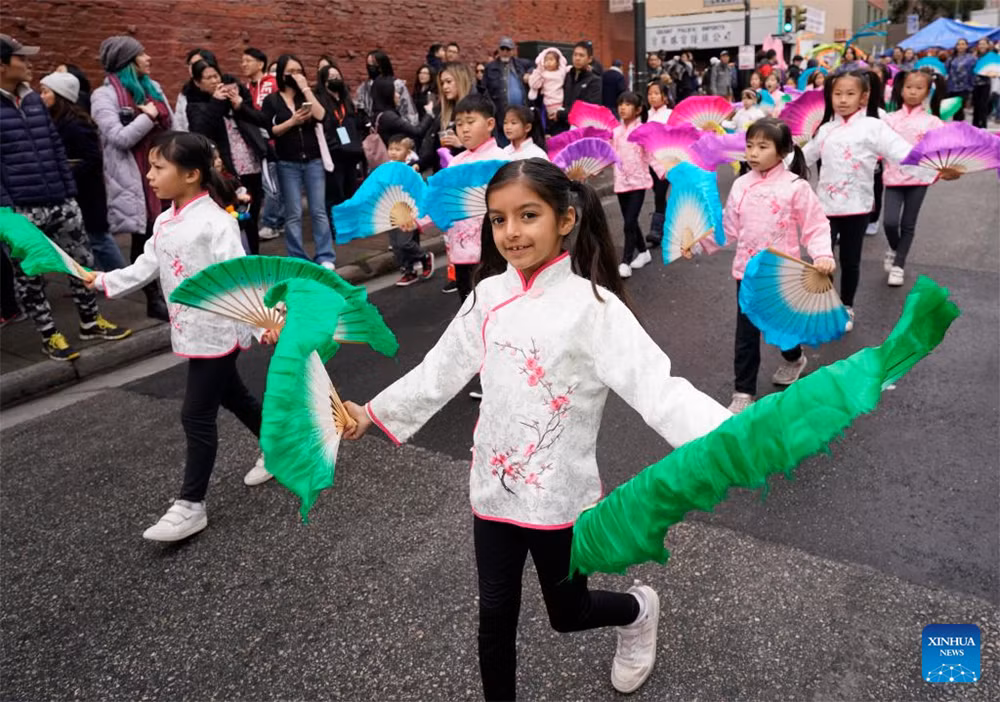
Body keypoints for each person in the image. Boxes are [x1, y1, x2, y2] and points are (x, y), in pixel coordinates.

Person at [342, 157, 732, 700]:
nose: (512, 233)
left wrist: (732, 437)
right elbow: (439, 370)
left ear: (565, 218)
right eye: (499, 220)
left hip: (557, 497)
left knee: (567, 614)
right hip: (493, 490)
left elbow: (658, 388)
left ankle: (638, 610)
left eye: (528, 215)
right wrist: (369, 412)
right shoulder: (486, 296)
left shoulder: (595, 308)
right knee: (494, 615)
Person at [85, 132, 267, 540]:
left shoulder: (216, 223)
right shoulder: (165, 220)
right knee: (233, 396)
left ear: (191, 175)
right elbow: (146, 265)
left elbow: (243, 278)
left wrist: (263, 320)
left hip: (218, 330)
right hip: (192, 331)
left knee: (195, 414)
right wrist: (102, 280)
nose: (148, 175)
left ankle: (190, 505)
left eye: (157, 167)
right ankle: (281, 448)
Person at [1, 33, 131, 360]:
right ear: (2, 65)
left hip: (60, 200)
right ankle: (49, 335)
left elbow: (56, 146)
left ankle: (90, 322)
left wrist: (67, 190)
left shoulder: (31, 99)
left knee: (81, 262)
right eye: (21, 58)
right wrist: (7, 209)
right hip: (20, 210)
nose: (28, 64)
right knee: (30, 276)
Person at [708, 118, 834, 414]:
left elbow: (815, 226)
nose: (753, 153)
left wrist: (822, 255)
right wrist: (702, 244)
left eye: (762, 147)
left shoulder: (795, 187)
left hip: (781, 273)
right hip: (747, 274)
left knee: (782, 328)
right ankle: (743, 390)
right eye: (750, 145)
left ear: (782, 151)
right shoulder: (741, 184)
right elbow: (729, 228)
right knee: (746, 333)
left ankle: (794, 358)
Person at [802, 69, 928, 332]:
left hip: (857, 208)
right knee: (820, 259)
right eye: (837, 94)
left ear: (864, 97)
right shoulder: (825, 129)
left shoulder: (874, 127)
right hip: (824, 207)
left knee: (850, 261)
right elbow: (804, 158)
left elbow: (904, 154)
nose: (843, 100)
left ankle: (845, 305)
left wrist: (937, 167)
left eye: (850, 94)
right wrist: (773, 161)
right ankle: (821, 303)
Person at [91, 34, 172, 321]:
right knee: (145, 239)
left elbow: (172, 125)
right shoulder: (104, 97)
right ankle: (153, 298)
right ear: (126, 61)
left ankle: (170, 291)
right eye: (142, 54)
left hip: (165, 172)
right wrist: (147, 116)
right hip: (135, 179)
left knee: (168, 235)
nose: (148, 58)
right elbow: (118, 137)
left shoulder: (154, 88)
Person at [39, 71, 126, 271]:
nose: (41, 96)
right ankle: (97, 277)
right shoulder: (58, 121)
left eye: (46, 92)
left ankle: (121, 278)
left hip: (87, 192)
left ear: (60, 95)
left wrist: (67, 174)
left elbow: (92, 159)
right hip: (78, 190)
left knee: (98, 238)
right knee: (86, 238)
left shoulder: (76, 124)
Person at [184, 60, 269, 254]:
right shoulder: (196, 105)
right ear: (198, 83)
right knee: (230, 219)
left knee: (251, 216)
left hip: (250, 164)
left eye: (216, 76)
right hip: (226, 170)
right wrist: (216, 101)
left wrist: (239, 105)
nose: (215, 81)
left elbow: (261, 121)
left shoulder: (233, 95)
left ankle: (254, 259)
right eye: (209, 78)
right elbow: (199, 130)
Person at [260, 54, 335, 268]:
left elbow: (322, 116)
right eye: (290, 72)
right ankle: (297, 258)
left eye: (298, 71)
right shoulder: (272, 100)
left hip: (313, 160)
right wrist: (292, 122)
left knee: (318, 210)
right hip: (287, 162)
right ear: (282, 75)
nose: (295, 76)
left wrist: (306, 89)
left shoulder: (306, 96)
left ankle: (325, 256)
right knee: (293, 213)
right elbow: (270, 131)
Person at [881, 68, 945, 287]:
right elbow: (879, 146)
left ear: (927, 91)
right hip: (893, 176)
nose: (912, 92)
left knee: (908, 223)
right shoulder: (889, 119)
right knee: (889, 222)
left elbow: (942, 148)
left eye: (919, 88)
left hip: (920, 178)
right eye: (909, 87)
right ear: (900, 89)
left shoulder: (933, 122)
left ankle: (899, 264)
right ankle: (894, 248)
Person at [441, 93, 508, 300]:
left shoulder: (501, 160)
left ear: (489, 124)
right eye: (459, 124)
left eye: (470, 122)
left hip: (494, 251)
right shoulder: (455, 162)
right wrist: (416, 220)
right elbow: (443, 202)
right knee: (468, 307)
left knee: (496, 306)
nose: (464, 129)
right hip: (461, 253)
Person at [611, 92, 658, 278]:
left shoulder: (643, 131)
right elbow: (609, 154)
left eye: (628, 104)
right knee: (630, 222)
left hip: (638, 182)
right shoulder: (615, 132)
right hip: (621, 181)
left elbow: (651, 155)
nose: (623, 107)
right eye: (620, 103)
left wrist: (665, 172)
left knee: (629, 222)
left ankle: (625, 261)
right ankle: (644, 252)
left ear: (638, 110)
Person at [385, 135, 435, 287]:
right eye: (391, 149)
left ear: (407, 153)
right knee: (395, 244)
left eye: (398, 149)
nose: (393, 152)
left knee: (405, 242)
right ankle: (409, 270)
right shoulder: (388, 167)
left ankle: (424, 256)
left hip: (408, 210)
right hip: (391, 209)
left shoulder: (411, 169)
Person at [316, 62, 364, 216]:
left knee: (351, 188)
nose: (335, 79)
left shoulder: (346, 100)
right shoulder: (321, 101)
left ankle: (351, 222)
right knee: (335, 192)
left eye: (337, 76)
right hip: (334, 153)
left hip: (350, 151)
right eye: (331, 77)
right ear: (324, 81)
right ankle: (336, 225)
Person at [417, 61, 476, 175]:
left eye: (449, 82)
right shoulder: (444, 112)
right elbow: (434, 148)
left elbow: (485, 149)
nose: (445, 87)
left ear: (461, 80)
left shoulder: (476, 109)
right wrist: (419, 164)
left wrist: (460, 145)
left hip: (464, 178)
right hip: (443, 176)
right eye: (442, 83)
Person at [484, 37, 533, 146]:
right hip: (501, 114)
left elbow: (534, 65)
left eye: (508, 49)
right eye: (503, 49)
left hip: (521, 113)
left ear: (512, 51)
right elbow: (484, 90)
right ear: (499, 49)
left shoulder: (520, 64)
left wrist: (529, 73)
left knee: (521, 144)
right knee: (504, 144)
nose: (505, 52)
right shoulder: (490, 67)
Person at [354, 50, 418, 126]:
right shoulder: (364, 87)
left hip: (394, 127)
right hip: (373, 129)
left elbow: (408, 109)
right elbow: (360, 109)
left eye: (374, 64)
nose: (371, 68)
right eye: (369, 65)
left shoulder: (396, 84)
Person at [643, 81, 672, 248]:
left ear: (664, 97)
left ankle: (656, 230)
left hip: (665, 161)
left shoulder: (671, 114)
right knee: (658, 194)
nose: (652, 96)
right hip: (648, 161)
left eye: (656, 93)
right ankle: (665, 226)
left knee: (660, 194)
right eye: (650, 93)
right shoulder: (645, 115)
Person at [371, 76, 434, 146]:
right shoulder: (389, 117)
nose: (398, 95)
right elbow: (417, 132)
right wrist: (429, 113)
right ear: (387, 94)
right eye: (395, 92)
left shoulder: (378, 112)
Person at [556, 40, 602, 132]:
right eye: (575, 55)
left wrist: (562, 114)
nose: (577, 58)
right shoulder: (567, 75)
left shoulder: (594, 81)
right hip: (560, 127)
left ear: (589, 59)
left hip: (579, 129)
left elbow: (589, 108)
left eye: (581, 55)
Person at [173, 48, 217, 132]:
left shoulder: (219, 90)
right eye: (190, 64)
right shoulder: (185, 94)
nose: (193, 68)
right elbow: (179, 125)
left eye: (198, 63)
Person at [527, 46, 569, 126]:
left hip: (560, 102)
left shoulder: (562, 72)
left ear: (557, 62)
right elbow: (535, 85)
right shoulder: (543, 73)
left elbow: (570, 69)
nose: (548, 62)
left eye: (551, 59)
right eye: (546, 60)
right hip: (547, 103)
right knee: (548, 121)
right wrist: (538, 71)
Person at [946, 38, 977, 122]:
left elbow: (974, 71)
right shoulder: (951, 58)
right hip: (952, 87)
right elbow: (947, 70)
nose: (960, 46)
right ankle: (955, 127)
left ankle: (960, 128)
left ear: (967, 46)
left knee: (960, 108)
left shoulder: (972, 58)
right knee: (954, 109)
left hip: (965, 87)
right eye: (959, 44)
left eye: (963, 44)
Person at [971, 38, 993, 128]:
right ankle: (974, 127)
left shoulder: (991, 56)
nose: (982, 45)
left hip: (985, 84)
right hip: (974, 85)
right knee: (975, 106)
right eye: (980, 44)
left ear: (988, 45)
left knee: (983, 106)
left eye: (984, 44)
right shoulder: (974, 56)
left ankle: (983, 127)